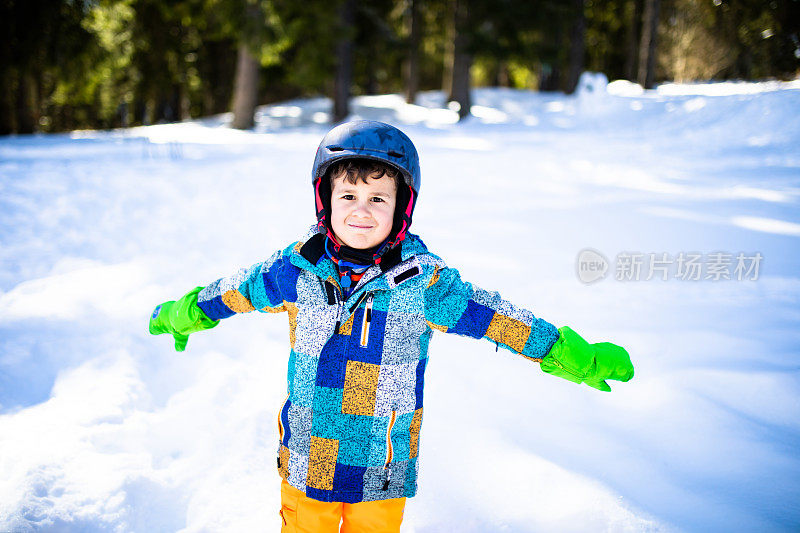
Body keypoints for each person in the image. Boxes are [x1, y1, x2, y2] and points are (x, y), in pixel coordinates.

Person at [149, 120, 634, 532]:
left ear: (401, 207)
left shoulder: (424, 284)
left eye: (379, 198)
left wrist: (567, 352)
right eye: (349, 194)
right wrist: (185, 312)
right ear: (326, 198)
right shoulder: (294, 269)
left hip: (381, 465)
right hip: (307, 458)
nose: (362, 209)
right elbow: (235, 290)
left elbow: (499, 319)